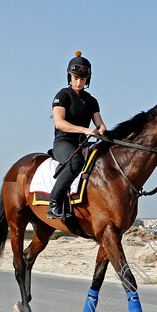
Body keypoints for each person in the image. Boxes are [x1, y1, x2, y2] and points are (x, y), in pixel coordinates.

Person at [48, 51, 106, 220]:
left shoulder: (92, 100)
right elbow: (59, 123)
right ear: (70, 77)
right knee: (76, 160)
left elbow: (100, 124)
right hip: (63, 141)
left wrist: (103, 131)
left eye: (82, 79)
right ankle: (54, 203)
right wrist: (85, 130)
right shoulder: (62, 96)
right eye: (75, 78)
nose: (79, 82)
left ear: (87, 80)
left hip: (83, 143)